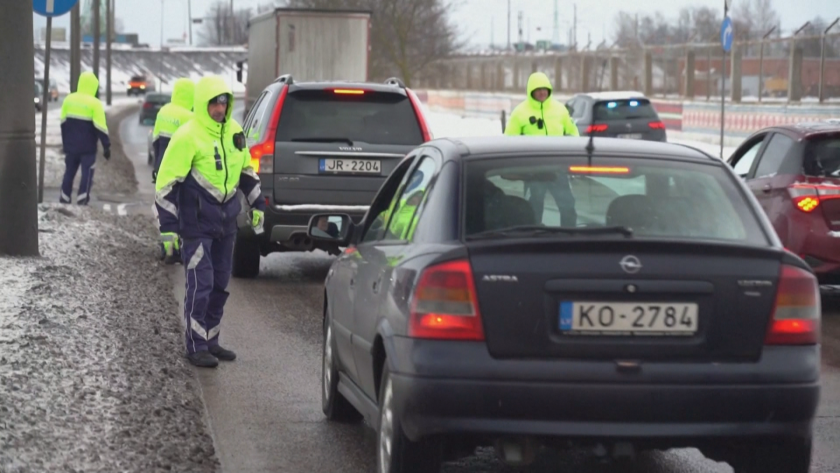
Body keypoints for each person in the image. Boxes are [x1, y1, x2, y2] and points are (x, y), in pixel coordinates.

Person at [155, 75, 265, 368]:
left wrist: (257, 204)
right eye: (214, 102)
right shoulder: (187, 136)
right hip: (196, 226)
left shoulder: (235, 132)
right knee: (200, 284)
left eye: (224, 102)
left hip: (226, 224)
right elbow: (166, 185)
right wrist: (168, 230)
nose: (219, 107)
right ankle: (195, 345)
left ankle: (211, 340)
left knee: (219, 284)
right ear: (203, 103)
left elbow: (247, 171)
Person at [504, 72, 579, 226]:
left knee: (568, 205)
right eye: (538, 89)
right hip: (533, 171)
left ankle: (570, 235)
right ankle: (533, 236)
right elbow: (508, 141)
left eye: (545, 89)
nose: (542, 92)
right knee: (533, 207)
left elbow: (573, 134)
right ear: (531, 91)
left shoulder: (560, 110)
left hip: (559, 169)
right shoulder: (520, 112)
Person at [59, 71, 111, 205]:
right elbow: (101, 127)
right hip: (88, 148)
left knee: (69, 172)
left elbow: (63, 123)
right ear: (94, 86)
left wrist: (65, 143)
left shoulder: (68, 99)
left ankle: (64, 199)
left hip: (71, 146)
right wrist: (106, 146)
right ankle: (82, 200)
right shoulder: (95, 103)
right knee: (87, 174)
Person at [152, 78, 194, 183]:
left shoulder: (163, 111)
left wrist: (156, 166)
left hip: (162, 167)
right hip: (179, 172)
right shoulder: (190, 117)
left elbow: (155, 141)